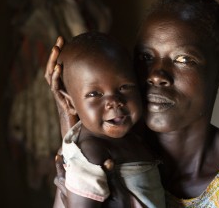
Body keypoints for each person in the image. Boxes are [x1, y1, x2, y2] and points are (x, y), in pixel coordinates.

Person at [46, 0, 219, 207]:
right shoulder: (103, 153)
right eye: (146, 57)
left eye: (183, 59)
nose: (156, 75)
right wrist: (72, 124)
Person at [51, 31, 165, 208]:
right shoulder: (90, 152)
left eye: (125, 87)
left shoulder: (135, 136)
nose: (114, 102)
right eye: (95, 94)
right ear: (69, 103)